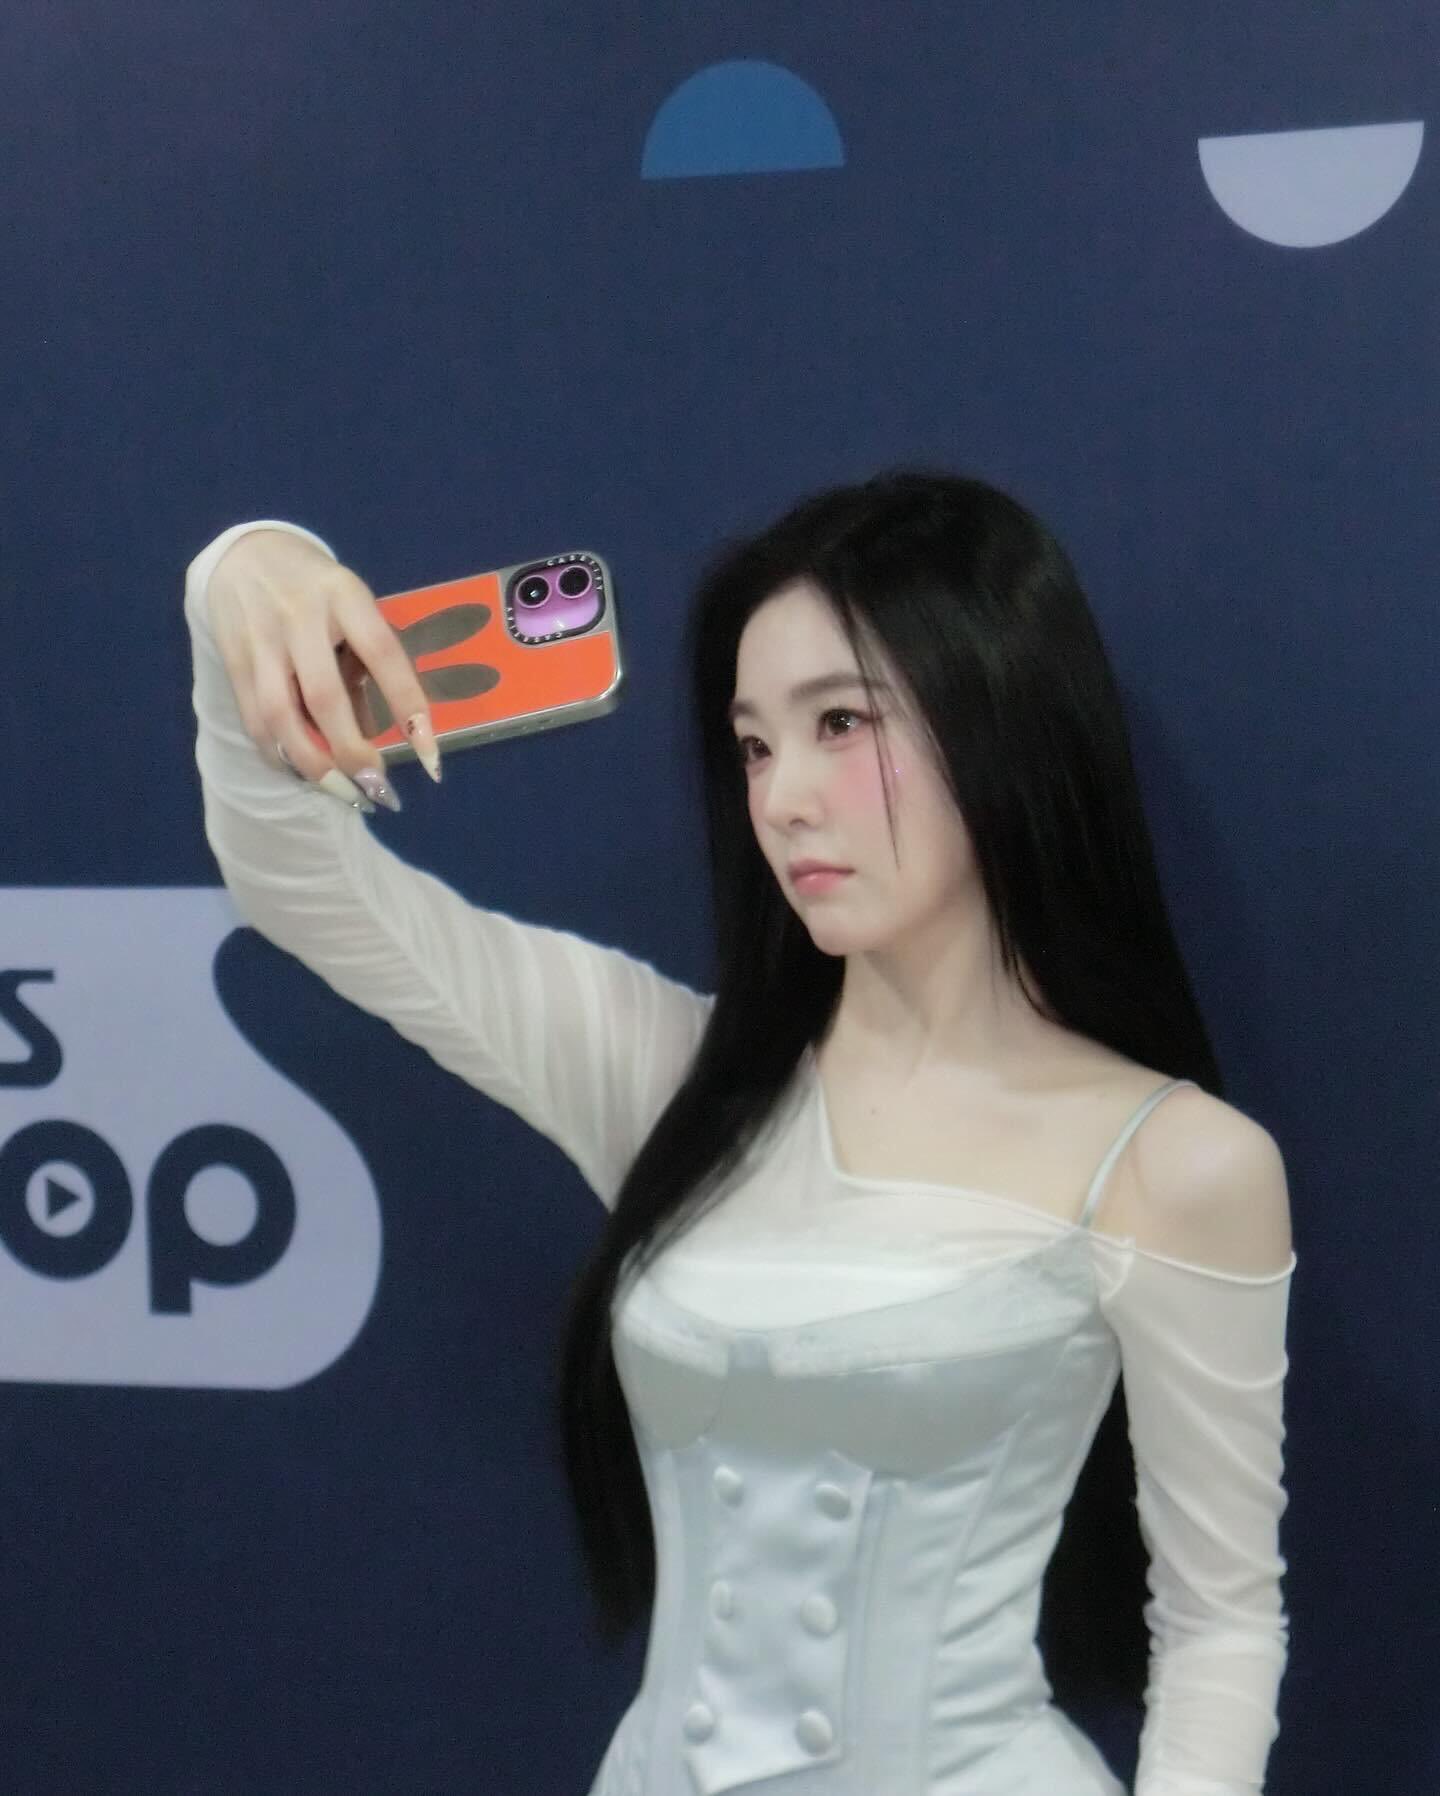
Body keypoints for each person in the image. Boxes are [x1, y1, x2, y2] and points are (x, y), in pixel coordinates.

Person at [185, 470, 1296, 1795]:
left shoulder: (1174, 1163)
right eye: (756, 745)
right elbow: (295, 880)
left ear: (999, 718)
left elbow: (1220, 1624)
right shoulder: (678, 1084)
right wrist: (243, 572)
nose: (782, 798)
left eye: (841, 723)